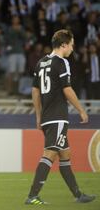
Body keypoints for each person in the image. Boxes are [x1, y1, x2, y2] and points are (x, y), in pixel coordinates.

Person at [25, 29, 95, 205]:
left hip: (48, 115)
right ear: (63, 44)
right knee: (50, 153)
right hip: (58, 115)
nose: (72, 48)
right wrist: (81, 110)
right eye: (71, 45)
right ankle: (32, 196)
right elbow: (67, 89)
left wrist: (38, 116)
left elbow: (35, 91)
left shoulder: (41, 63)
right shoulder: (62, 62)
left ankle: (78, 195)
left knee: (65, 154)